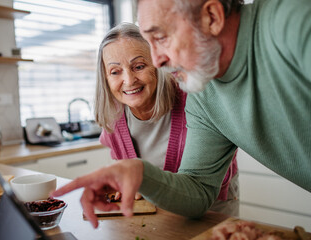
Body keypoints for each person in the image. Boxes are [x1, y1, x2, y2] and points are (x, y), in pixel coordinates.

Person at [53, 0, 311, 229]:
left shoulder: (292, 18)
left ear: (212, 16)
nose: (157, 61)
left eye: (161, 37)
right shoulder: (203, 96)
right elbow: (199, 190)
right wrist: (139, 172)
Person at [94, 22, 239, 216]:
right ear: (105, 77)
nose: (129, 80)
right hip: (153, 210)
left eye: (138, 66)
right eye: (115, 71)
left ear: (157, 64)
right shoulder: (113, 117)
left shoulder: (193, 98)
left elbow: (205, 178)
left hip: (211, 206)